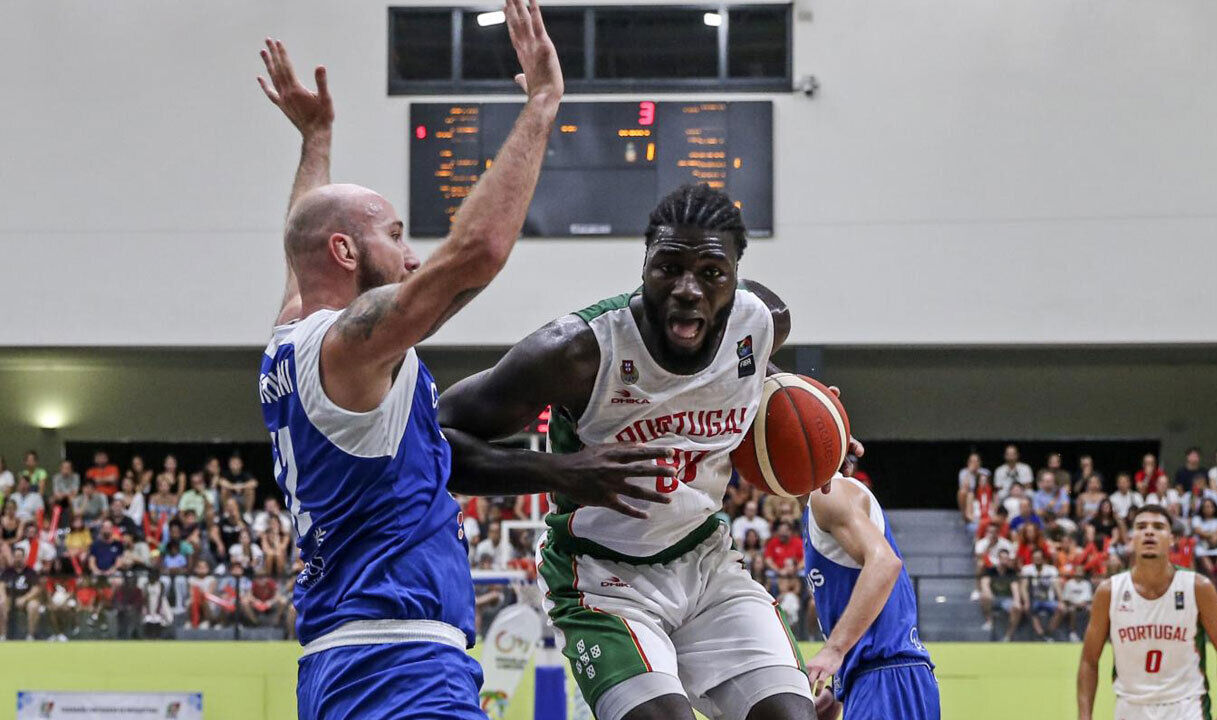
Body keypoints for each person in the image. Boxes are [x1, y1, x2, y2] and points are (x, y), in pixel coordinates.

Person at [255, 10, 664, 719]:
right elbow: (475, 255)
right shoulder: (349, 347)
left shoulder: (290, 337)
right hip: (399, 663)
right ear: (348, 256)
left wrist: (316, 140)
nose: (411, 255)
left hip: (336, 661)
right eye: (395, 235)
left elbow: (304, 243)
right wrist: (541, 106)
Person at [433, 189, 865, 716]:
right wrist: (559, 471)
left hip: (706, 563)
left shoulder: (763, 323)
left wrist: (815, 424)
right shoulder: (577, 351)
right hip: (602, 579)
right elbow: (432, 439)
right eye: (669, 268)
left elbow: (745, 377)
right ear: (644, 265)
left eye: (711, 272)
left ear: (734, 278)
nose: (688, 289)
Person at [1077, 505, 1217, 720]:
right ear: (1132, 538)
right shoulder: (1109, 591)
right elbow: (1089, 660)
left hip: (1187, 707)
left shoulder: (1197, 587)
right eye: (1141, 527)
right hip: (1130, 707)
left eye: (1158, 527)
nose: (1149, 532)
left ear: (1172, 539)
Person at [802, 471, 939, 720]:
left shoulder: (828, 494)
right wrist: (837, 689)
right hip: (884, 679)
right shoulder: (824, 503)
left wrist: (834, 649)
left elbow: (884, 563)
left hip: (885, 680)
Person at [1020, 548, 1065, 641]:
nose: (1037, 560)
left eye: (1039, 558)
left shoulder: (1051, 570)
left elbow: (1057, 586)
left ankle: (1048, 632)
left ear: (1043, 559)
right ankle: (1040, 634)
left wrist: (1061, 601)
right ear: (1032, 559)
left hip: (1049, 600)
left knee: (1062, 609)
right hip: (1034, 600)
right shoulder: (1027, 569)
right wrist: (1026, 601)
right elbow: (1023, 587)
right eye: (1035, 558)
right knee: (1029, 608)